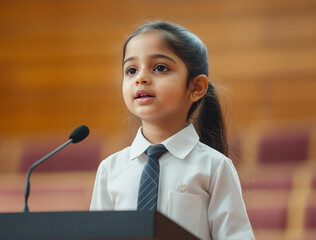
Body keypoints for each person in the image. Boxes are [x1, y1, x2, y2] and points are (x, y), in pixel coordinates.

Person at [90, 21, 254, 240]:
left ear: (196, 87)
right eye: (131, 70)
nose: (141, 78)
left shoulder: (214, 167)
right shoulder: (110, 170)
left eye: (160, 68)